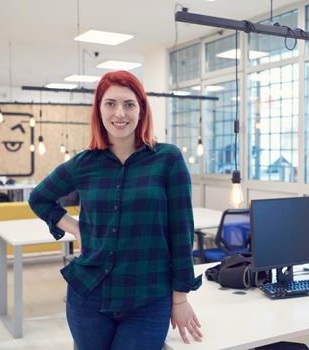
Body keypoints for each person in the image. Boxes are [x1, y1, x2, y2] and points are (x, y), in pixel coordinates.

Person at [28, 70, 202, 350]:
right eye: (110, 104)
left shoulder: (168, 159)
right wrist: (76, 228)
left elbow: (181, 232)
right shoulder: (84, 163)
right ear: (99, 110)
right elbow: (39, 198)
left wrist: (180, 298)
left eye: (129, 104)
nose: (119, 113)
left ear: (141, 109)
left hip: (147, 299)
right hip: (88, 297)